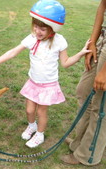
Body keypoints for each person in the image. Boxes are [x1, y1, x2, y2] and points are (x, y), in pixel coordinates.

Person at [0, 0, 91, 148]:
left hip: (48, 85)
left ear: (53, 28)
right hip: (33, 82)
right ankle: (32, 126)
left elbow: (65, 63)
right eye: (35, 26)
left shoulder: (59, 42)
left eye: (42, 28)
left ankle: (40, 134)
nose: (37, 31)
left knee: (41, 112)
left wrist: (80, 54)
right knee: (29, 110)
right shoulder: (31, 38)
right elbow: (14, 51)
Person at [61, 0, 106, 166]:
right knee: (83, 92)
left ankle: (88, 155)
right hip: (102, 37)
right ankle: (79, 142)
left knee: (100, 106)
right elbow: (103, 4)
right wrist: (93, 42)